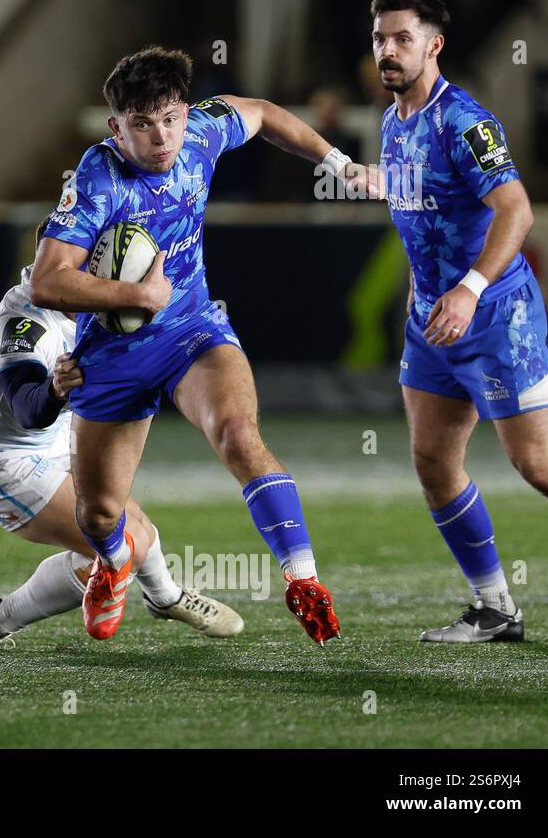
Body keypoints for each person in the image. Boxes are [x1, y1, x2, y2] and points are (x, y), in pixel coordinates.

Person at [34, 46, 379, 644]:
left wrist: (339, 163)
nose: (161, 138)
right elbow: (47, 280)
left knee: (239, 435)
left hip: (192, 332)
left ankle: (303, 579)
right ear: (116, 127)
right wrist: (136, 295)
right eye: (142, 124)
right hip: (112, 356)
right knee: (99, 513)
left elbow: (264, 113)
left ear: (187, 115)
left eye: (170, 119)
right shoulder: (97, 179)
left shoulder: (201, 134)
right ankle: (113, 563)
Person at [369, 0, 548, 642]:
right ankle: (496, 608)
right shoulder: (392, 123)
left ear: (435, 45)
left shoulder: (465, 121)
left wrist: (470, 289)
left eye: (403, 38)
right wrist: (423, 297)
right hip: (432, 324)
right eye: (380, 38)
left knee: (540, 466)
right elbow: (421, 224)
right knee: (433, 461)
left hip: (495, 316)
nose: (389, 50)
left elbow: (517, 210)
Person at [0, 219, 243, 647]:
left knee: (130, 524)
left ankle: (165, 598)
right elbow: (29, 409)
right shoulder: (26, 324)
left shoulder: (95, 309)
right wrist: (55, 389)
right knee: (124, 544)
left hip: (50, 437)